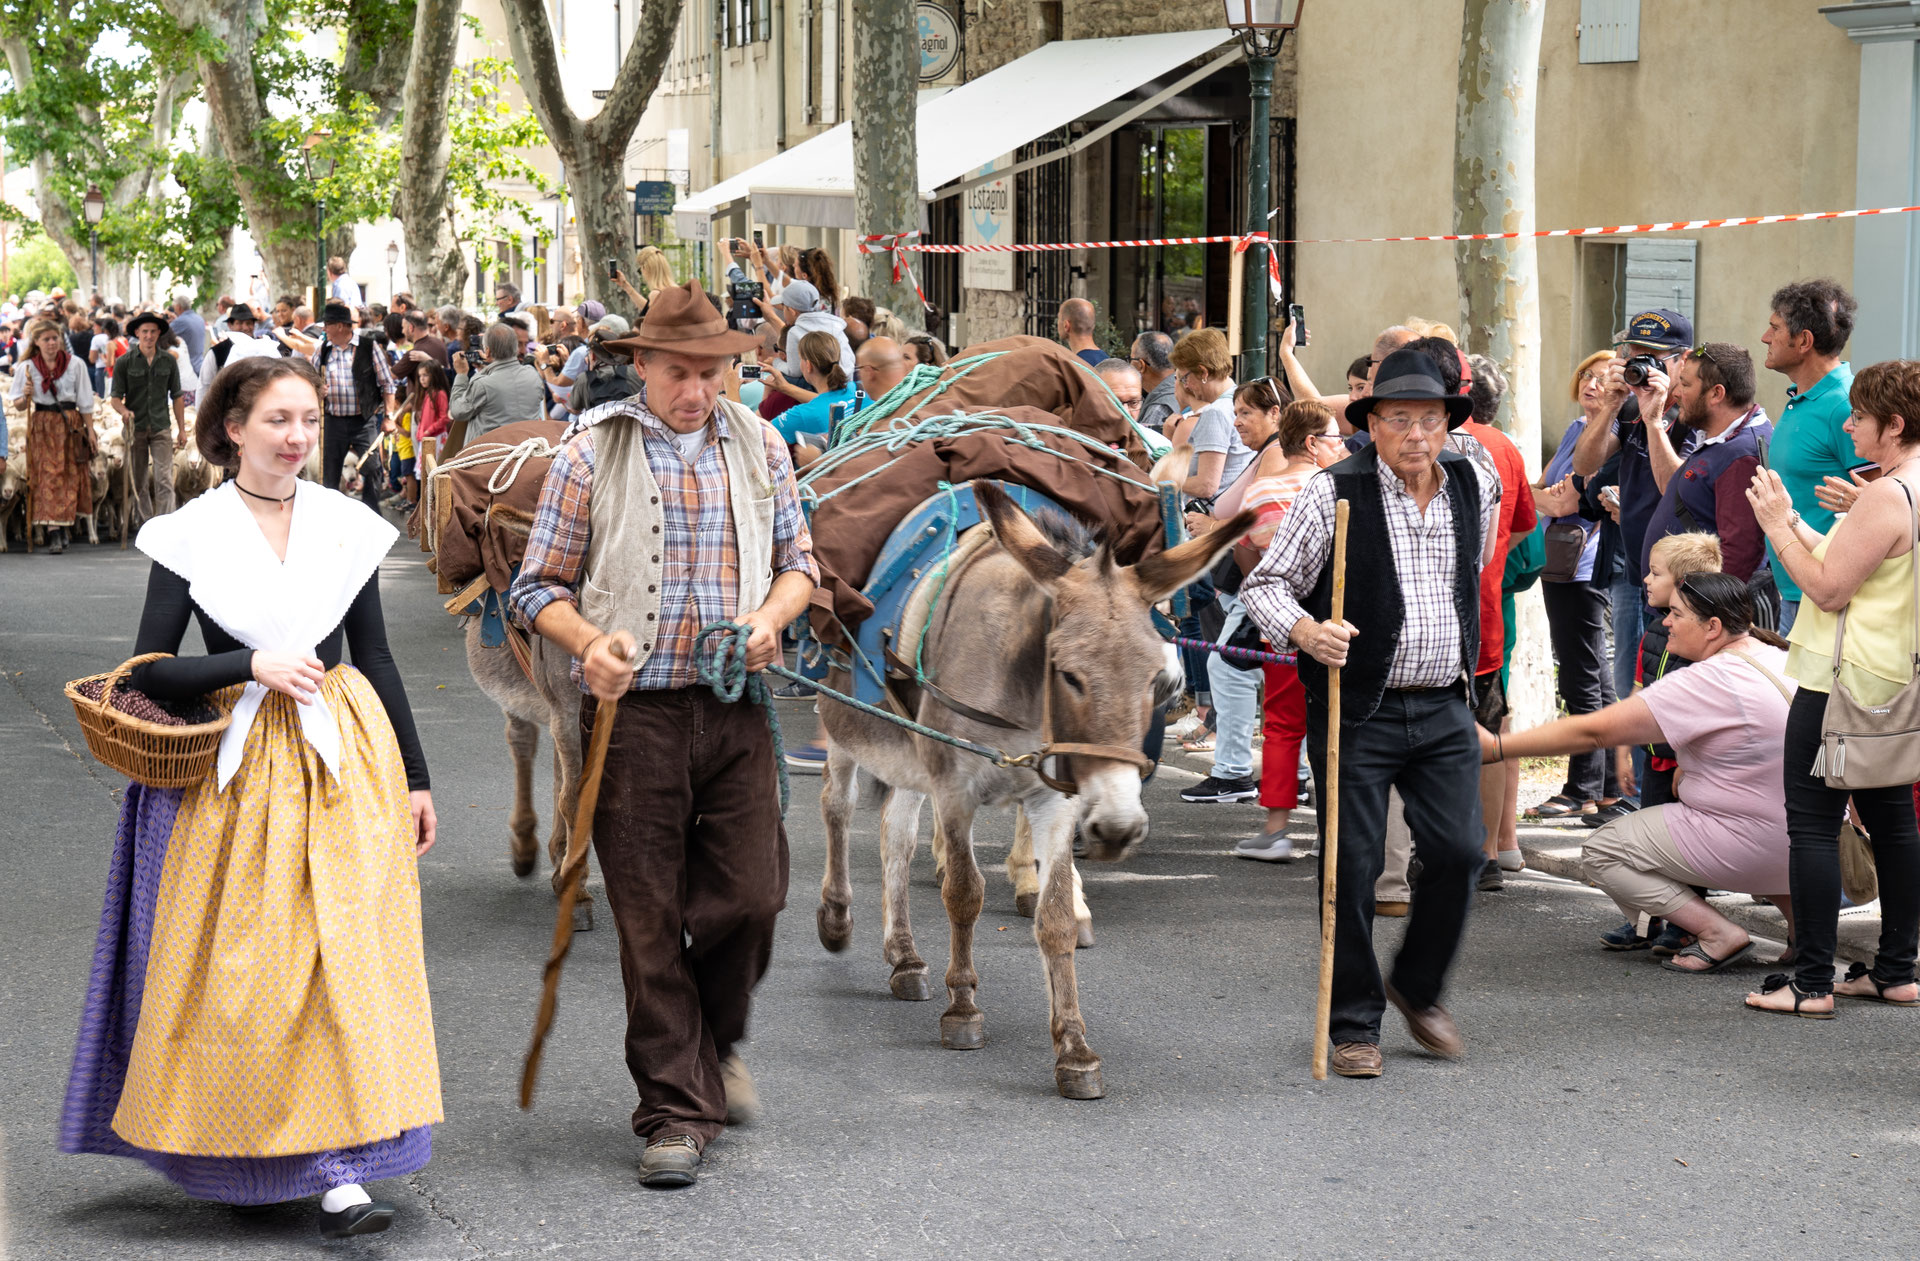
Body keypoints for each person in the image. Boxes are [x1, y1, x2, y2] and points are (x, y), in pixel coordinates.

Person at [58, 355, 439, 1239]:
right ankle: (247, 1156)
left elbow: (374, 657)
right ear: (233, 427)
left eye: (308, 419)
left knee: (339, 962)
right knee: (248, 975)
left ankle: (341, 1172)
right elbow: (148, 670)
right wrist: (247, 663)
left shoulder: (347, 523)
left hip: (342, 759)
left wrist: (415, 777)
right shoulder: (190, 532)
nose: (299, 436)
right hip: (235, 766)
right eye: (279, 419)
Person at [508, 280, 818, 1188]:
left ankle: (712, 1044)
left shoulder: (762, 445)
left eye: (713, 370)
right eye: (679, 370)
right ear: (639, 365)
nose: (697, 387)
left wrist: (768, 618)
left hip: (733, 712)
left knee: (752, 899)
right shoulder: (586, 455)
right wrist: (589, 643)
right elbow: (536, 589)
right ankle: (675, 1111)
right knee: (647, 921)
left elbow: (801, 566)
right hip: (632, 720)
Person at [1241, 347, 1500, 1079]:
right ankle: (1354, 1022)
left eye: (1429, 419)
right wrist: (1306, 630)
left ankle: (1417, 987)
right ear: (1371, 425)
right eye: (1398, 420)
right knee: (1349, 866)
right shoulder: (1334, 492)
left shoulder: (1471, 484)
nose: (1416, 435)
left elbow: (1470, 571)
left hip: (1444, 701)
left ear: (1449, 422)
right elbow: (1268, 585)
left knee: (1460, 853)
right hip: (1359, 707)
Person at [1486, 572, 1796, 972]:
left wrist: (1497, 747)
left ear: (1713, 627)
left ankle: (1718, 933)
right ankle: (1802, 932)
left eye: (1677, 613)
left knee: (1603, 850)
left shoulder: (1708, 679)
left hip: (1754, 845)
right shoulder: (1782, 655)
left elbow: (1593, 729)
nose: (1665, 621)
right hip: (1817, 848)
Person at [1745, 359, 1920, 1017]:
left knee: (1812, 822)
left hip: (1841, 683)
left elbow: (1827, 587)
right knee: (1894, 819)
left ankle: (1810, 981)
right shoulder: (1906, 485)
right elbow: (1859, 568)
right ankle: (1896, 968)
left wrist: (1774, 527)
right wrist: (1794, 521)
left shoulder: (1886, 492)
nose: (1849, 426)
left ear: (1893, 424)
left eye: (1860, 417)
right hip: (1890, 676)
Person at [1570, 309, 1699, 789]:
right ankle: (1635, 795)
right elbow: (1584, 465)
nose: (1640, 366)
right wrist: (1612, 404)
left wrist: (1655, 419)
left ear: (1681, 360)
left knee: (1673, 695)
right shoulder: (1627, 406)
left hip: (1686, 582)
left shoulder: (1694, 411)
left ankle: (1662, 800)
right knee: (1633, 690)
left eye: (1651, 358)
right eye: (1632, 355)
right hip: (1636, 572)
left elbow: (1680, 489)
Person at [1218, 396, 1343, 861]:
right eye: (1335, 439)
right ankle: (1337, 828)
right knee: (1340, 726)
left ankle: (1275, 830)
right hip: (1338, 624)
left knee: (1283, 726)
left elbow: (1246, 558)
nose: (1343, 447)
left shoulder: (1258, 493)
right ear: (1312, 443)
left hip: (1282, 626)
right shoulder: (1335, 487)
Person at [1180, 371, 1293, 806]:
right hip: (1250, 586)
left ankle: (1234, 772)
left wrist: (1211, 525)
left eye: (1246, 413)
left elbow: (1268, 521)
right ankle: (1269, 775)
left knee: (1230, 670)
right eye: (1235, 412)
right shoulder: (1266, 451)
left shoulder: (1277, 453)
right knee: (1256, 676)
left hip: (1262, 587)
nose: (1238, 421)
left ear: (1276, 414)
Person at [1530, 351, 1626, 820]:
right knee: (1592, 675)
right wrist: (1545, 497)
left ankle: (1581, 789)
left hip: (1584, 566)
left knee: (1582, 677)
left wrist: (1546, 498)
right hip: (1561, 562)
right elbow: (1539, 489)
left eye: (1605, 379)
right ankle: (1605, 788)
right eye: (1587, 374)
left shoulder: (1609, 434)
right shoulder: (1574, 429)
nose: (1592, 385)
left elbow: (1565, 501)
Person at [1459, 355, 1537, 888]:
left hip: (1450, 624)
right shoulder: (1503, 447)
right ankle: (1487, 850)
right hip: (1486, 619)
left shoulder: (1403, 444)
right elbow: (1525, 529)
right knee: (1488, 733)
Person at [1761, 280, 1868, 634]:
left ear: (1804, 341)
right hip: (1794, 588)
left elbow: (1878, 502)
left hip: (1820, 598)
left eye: (1775, 328)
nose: (1765, 337)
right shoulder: (1805, 397)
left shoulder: (1844, 405)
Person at [1638, 342, 1771, 586]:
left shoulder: (1742, 455)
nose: (1676, 393)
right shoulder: (1722, 438)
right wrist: (1652, 421)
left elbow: (1741, 553)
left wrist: (1699, 610)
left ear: (1716, 394)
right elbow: (1676, 490)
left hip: (1695, 613)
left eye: (1686, 384)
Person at [10, 316, 99, 552]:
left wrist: (91, 432)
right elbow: (18, 404)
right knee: (46, 476)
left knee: (68, 475)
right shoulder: (27, 368)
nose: (52, 343)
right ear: (36, 342)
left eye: (55, 338)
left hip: (70, 423)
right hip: (42, 426)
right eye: (46, 339)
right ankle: (53, 531)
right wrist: (25, 394)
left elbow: (86, 403)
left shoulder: (75, 364)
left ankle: (64, 525)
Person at [311, 302, 400, 508]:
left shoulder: (369, 347)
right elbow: (310, 382)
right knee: (330, 473)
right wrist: (317, 391)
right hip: (333, 421)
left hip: (363, 420)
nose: (324, 329)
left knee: (373, 468)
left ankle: (370, 515)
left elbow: (388, 384)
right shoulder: (323, 350)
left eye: (327, 324)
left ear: (340, 326)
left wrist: (389, 416)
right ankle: (333, 517)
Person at [110, 312, 188, 526]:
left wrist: (182, 429)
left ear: (159, 334)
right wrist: (124, 411)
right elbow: (115, 398)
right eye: (145, 331)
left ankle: (165, 524)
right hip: (136, 427)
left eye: (153, 331)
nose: (149, 336)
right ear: (137, 333)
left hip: (161, 425)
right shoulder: (124, 362)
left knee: (164, 478)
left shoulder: (168, 361)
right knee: (139, 480)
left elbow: (178, 396)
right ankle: (146, 523)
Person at [1167, 327, 1251, 501]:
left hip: (1208, 519)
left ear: (1203, 372)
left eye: (1184, 378)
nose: (1186, 386)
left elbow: (1206, 486)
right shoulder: (1239, 401)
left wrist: (1163, 480)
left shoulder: (1216, 412)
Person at [450, 322, 546, 443]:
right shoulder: (533, 374)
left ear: (488, 351)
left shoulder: (483, 384)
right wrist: (488, 366)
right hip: (527, 449)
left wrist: (461, 374)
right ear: (515, 348)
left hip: (491, 454)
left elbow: (458, 412)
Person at [773, 330, 856, 458]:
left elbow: (756, 435)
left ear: (808, 365)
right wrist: (786, 388)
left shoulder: (802, 414)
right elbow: (825, 402)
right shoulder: (859, 389)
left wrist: (733, 388)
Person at [1130, 331, 1177, 432]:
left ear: (1141, 365)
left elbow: (1147, 446)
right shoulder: (1185, 389)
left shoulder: (1158, 409)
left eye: (1131, 359)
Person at [167, 293, 207, 388]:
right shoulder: (199, 318)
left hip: (188, 368)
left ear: (178, 307)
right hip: (200, 364)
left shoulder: (180, 322)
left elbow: (164, 334)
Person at [855, 335, 909, 402]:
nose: (859, 375)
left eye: (860, 368)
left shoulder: (891, 410)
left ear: (869, 372)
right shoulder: (917, 400)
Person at [1057, 298, 1105, 367]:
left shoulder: (1073, 367)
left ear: (1066, 325)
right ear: (1093, 325)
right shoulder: (1107, 360)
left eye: (1059, 319)